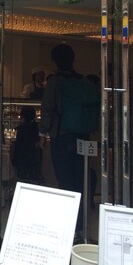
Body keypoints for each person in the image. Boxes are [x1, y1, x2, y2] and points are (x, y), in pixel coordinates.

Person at [38, 43, 88, 241]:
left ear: (54, 61)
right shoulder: (82, 80)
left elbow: (48, 108)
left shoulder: (54, 82)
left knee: (65, 181)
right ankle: (81, 226)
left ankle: (69, 227)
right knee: (79, 180)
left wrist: (42, 133)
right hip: (82, 136)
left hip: (62, 136)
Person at [11, 106, 43, 183]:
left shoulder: (21, 129)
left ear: (23, 116)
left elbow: (19, 146)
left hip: (23, 161)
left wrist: (14, 160)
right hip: (34, 161)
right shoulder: (36, 127)